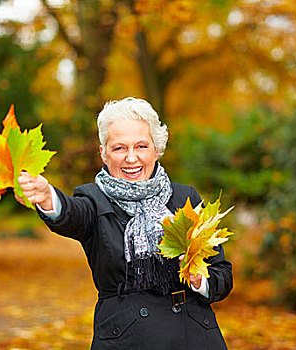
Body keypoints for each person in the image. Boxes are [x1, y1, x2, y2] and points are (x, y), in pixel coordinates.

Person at [16, 97, 232, 349]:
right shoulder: (93, 199)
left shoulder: (186, 199)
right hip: (128, 338)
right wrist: (46, 197)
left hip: (193, 335)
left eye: (141, 146)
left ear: (156, 148)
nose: (131, 158)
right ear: (104, 154)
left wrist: (200, 281)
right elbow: (72, 214)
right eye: (119, 148)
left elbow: (222, 275)